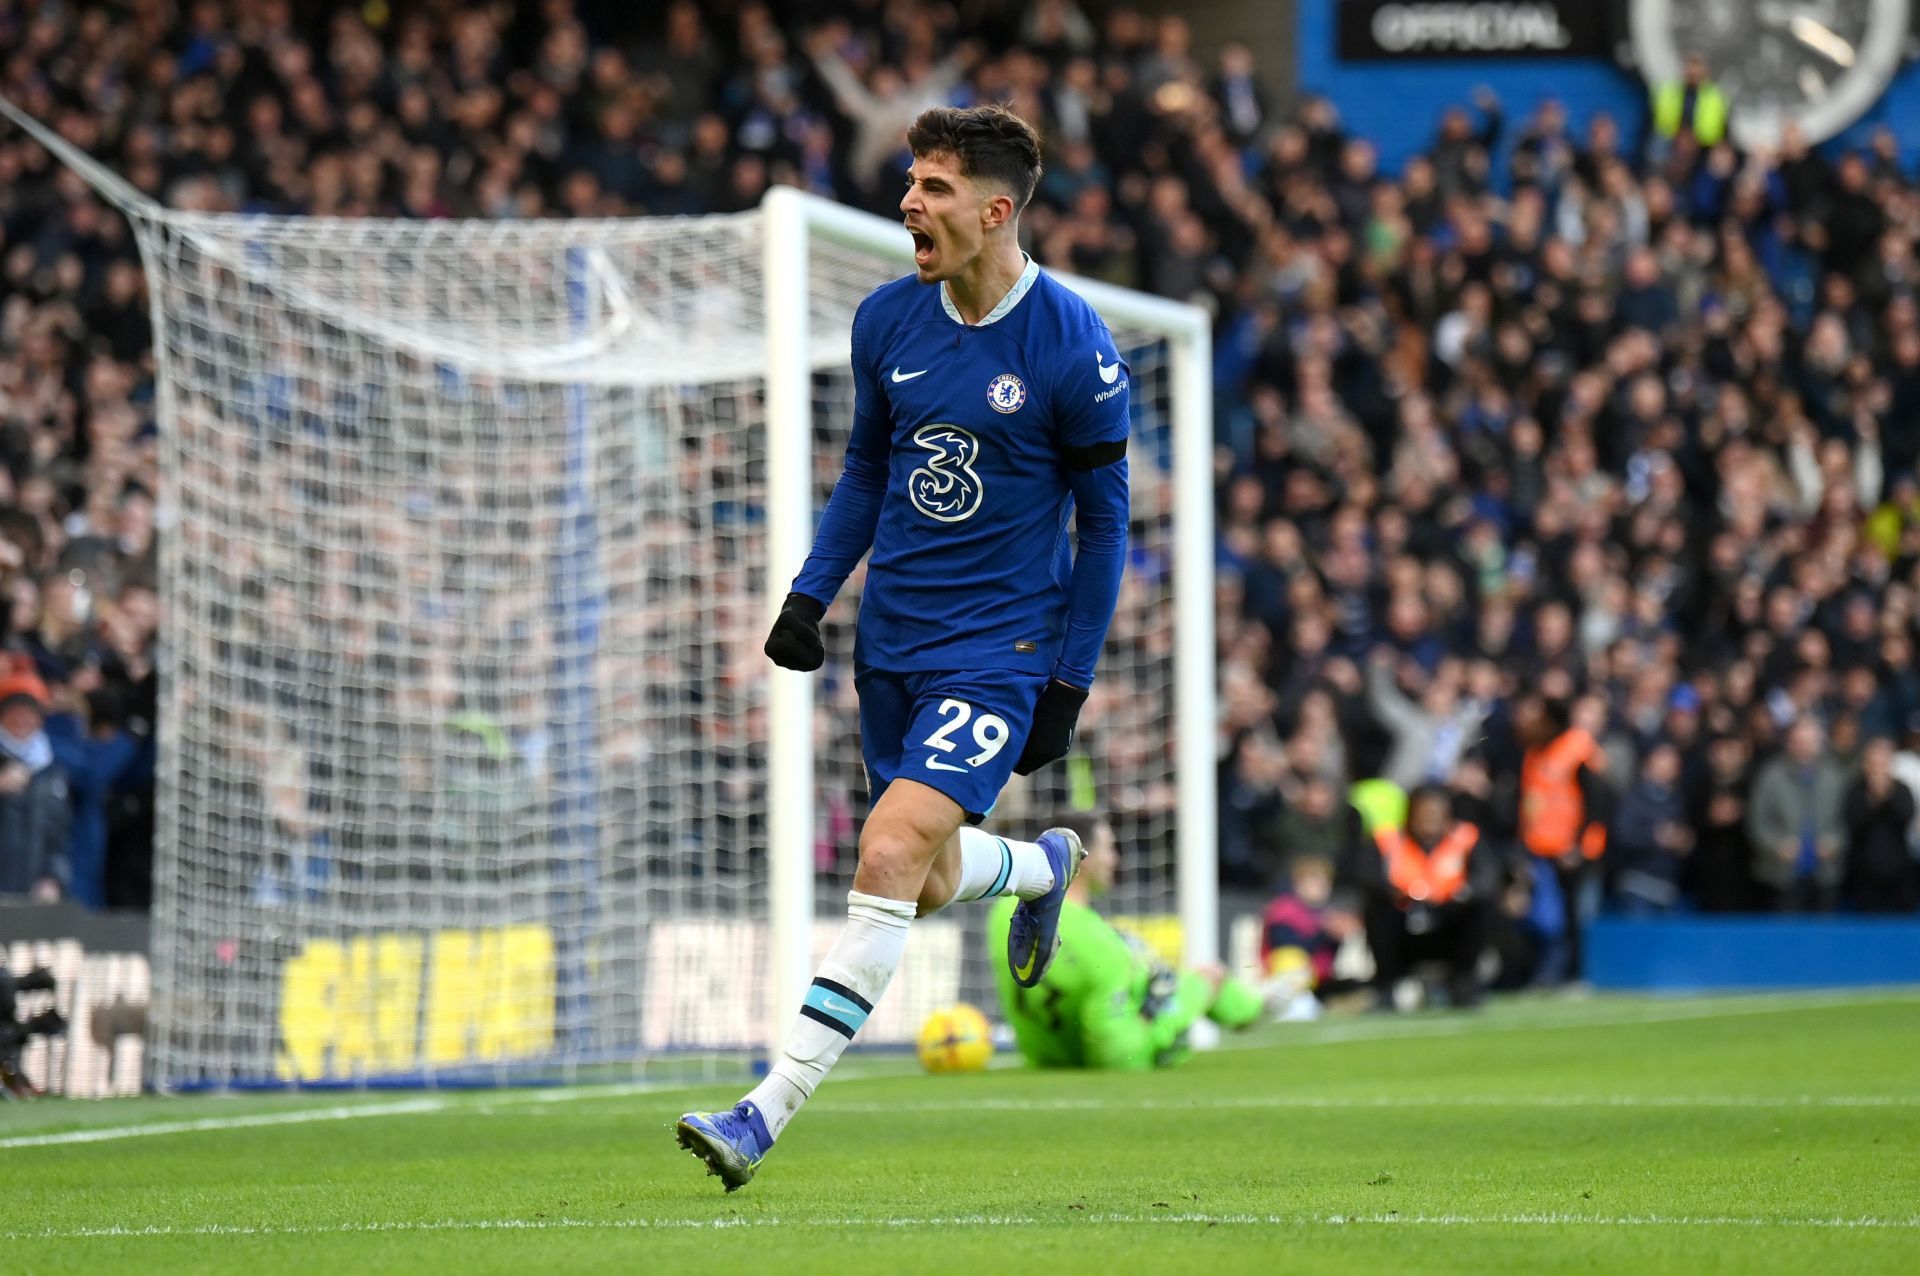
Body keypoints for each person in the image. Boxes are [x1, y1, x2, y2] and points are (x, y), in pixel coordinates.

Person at [678, 105, 1134, 1190]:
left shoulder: (1072, 344)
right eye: (910, 181)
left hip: (1000, 648)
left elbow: (1106, 524)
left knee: (883, 857)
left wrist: (1066, 678)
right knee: (922, 886)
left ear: (994, 210)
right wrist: (809, 594)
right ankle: (1041, 865)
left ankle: (762, 1111)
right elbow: (869, 475)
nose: (908, 204)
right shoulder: (888, 321)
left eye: (931, 187)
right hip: (895, 644)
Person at [986, 812, 1263, 1069]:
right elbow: (1121, 1056)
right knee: (1200, 977)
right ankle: (1246, 1005)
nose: (1115, 859)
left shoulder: (1003, 912)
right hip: (1088, 1054)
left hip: (1042, 1055)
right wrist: (1194, 996)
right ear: (1086, 857)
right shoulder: (1102, 945)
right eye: (1109, 848)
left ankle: (1249, 1006)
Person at [1351, 784, 1496, 1010]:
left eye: (1436, 813)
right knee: (1377, 908)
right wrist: (1397, 893)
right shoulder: (1388, 840)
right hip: (1404, 921)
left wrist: (1460, 895)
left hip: (1449, 920)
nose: (1430, 819)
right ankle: (1387, 985)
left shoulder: (1466, 838)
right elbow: (1366, 875)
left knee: (1481, 907)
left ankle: (1463, 981)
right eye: (1424, 813)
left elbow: (1486, 878)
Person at [1516, 694, 1609, 982]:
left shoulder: (1576, 748)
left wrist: (1579, 846)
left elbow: (1598, 801)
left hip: (1571, 852)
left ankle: (1573, 976)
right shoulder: (1535, 752)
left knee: (1572, 916)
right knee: (1542, 917)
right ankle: (1543, 973)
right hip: (1540, 849)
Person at [1746, 717, 1849, 913]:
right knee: (1785, 938)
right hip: (1781, 875)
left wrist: (1834, 842)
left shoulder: (1834, 776)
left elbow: (1846, 821)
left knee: (1825, 938)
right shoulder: (1770, 776)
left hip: (1826, 874)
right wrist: (1778, 846)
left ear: (1820, 742)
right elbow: (1757, 822)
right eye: (1799, 741)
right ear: (1789, 742)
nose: (1805, 747)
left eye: (1811, 741)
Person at [1842, 736, 1918, 913]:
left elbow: (1905, 816)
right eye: (1874, 762)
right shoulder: (1856, 790)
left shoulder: (1901, 789)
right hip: (1865, 871)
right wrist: (1873, 799)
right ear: (1865, 764)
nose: (1878, 768)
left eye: (1883, 762)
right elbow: (1854, 823)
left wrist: (1887, 795)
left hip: (1900, 869)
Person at [1649, 52, 1728, 152]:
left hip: (1703, 145)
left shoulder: (1715, 96)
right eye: (1691, 67)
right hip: (1673, 139)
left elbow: (1719, 128)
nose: (1694, 72)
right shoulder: (1669, 90)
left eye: (1698, 67)